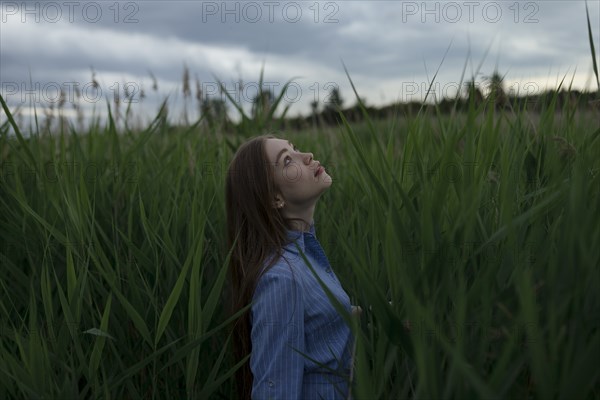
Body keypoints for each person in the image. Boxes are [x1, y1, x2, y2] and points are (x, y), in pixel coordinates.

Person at [226, 134, 357, 399]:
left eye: (294, 149)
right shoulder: (281, 279)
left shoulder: (305, 257)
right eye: (287, 161)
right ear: (275, 199)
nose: (306, 156)